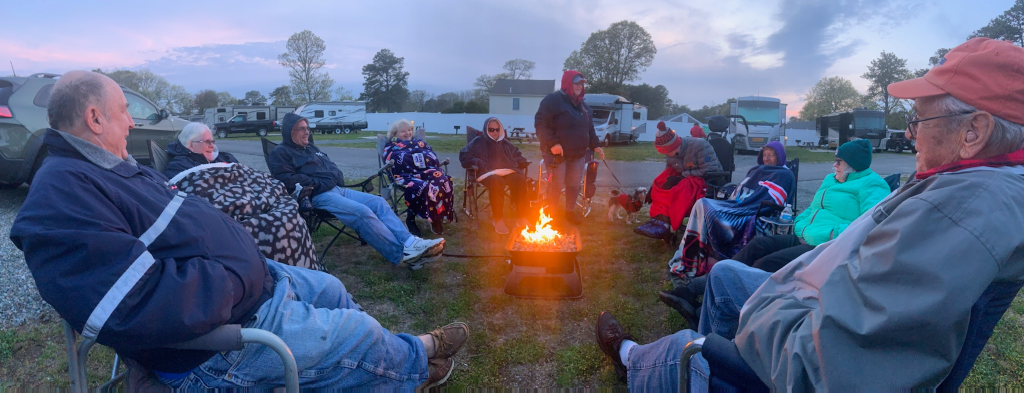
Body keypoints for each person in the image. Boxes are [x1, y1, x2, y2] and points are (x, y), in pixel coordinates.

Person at [596, 37, 1024, 390]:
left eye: (919, 121)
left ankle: (634, 359)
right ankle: (709, 339)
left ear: (974, 131)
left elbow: (827, 361)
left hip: (800, 342)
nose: (911, 135)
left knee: (689, 347)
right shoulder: (959, 185)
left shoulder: (961, 211)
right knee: (728, 276)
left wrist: (769, 303)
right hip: (813, 293)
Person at [10, 70, 470, 389]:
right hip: (216, 339)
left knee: (332, 289)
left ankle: (383, 364)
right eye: (124, 110)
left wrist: (248, 265)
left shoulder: (112, 169)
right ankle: (416, 363)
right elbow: (130, 305)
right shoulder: (61, 200)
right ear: (94, 118)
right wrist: (235, 277)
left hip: (254, 282)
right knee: (355, 332)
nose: (132, 120)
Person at [660, 139, 891, 326]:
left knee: (764, 263)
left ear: (852, 164)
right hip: (801, 234)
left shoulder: (873, 186)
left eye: (838, 162)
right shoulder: (832, 180)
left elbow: (868, 224)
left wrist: (829, 233)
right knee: (754, 247)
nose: (834, 166)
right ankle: (692, 291)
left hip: (823, 246)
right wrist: (799, 222)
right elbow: (812, 208)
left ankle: (706, 310)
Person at [269, 113, 444, 270]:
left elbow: (335, 171)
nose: (306, 132)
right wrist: (322, 182)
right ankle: (403, 254)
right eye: (301, 129)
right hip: (317, 196)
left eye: (307, 128)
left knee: (379, 202)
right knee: (362, 213)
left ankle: (410, 242)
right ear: (289, 131)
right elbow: (288, 180)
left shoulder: (312, 148)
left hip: (338, 190)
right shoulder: (280, 153)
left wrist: (329, 179)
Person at [670, 141, 794, 282]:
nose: (766, 158)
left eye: (771, 155)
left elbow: (776, 198)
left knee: (711, 212)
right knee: (702, 203)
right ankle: (695, 259)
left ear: (779, 156)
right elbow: (742, 188)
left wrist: (749, 204)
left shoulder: (785, 175)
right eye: (764, 155)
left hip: (754, 210)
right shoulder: (756, 170)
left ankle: (715, 261)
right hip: (738, 204)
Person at [535, 70, 604, 224]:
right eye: (576, 82)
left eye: (581, 83)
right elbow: (540, 123)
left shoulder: (583, 106)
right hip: (557, 155)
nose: (579, 86)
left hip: (578, 154)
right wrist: (553, 143)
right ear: (567, 83)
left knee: (573, 185)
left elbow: (589, 128)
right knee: (556, 185)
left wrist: (596, 145)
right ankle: (551, 215)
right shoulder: (552, 100)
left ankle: (569, 212)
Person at [635, 121, 722, 240]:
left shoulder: (700, 145)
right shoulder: (670, 153)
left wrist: (681, 177)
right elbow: (669, 171)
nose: (668, 155)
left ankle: (667, 222)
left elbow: (710, 169)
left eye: (668, 151)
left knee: (681, 186)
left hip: (707, 179)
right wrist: (655, 187)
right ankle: (659, 220)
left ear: (676, 145)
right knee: (663, 183)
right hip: (686, 177)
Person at [459, 117, 531, 234]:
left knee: (519, 179)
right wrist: (480, 163)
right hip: (486, 172)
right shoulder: (478, 142)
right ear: (486, 129)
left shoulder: (506, 143)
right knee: (497, 182)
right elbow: (464, 155)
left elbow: (519, 156)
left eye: (497, 130)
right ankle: (498, 220)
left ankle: (522, 218)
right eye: (491, 129)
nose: (495, 132)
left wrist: (515, 163)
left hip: (506, 171)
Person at [383, 119, 455, 235]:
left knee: (442, 180)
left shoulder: (419, 143)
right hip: (405, 175)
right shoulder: (391, 146)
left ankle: (436, 216)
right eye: (403, 131)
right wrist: (411, 159)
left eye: (409, 130)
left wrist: (423, 160)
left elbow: (430, 154)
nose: (408, 133)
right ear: (395, 134)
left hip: (426, 172)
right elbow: (391, 159)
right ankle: (410, 219)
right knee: (421, 186)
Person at [162, 122, 238, 178]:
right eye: (207, 142)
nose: (212, 146)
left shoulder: (226, 157)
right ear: (191, 144)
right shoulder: (179, 166)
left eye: (212, 142)